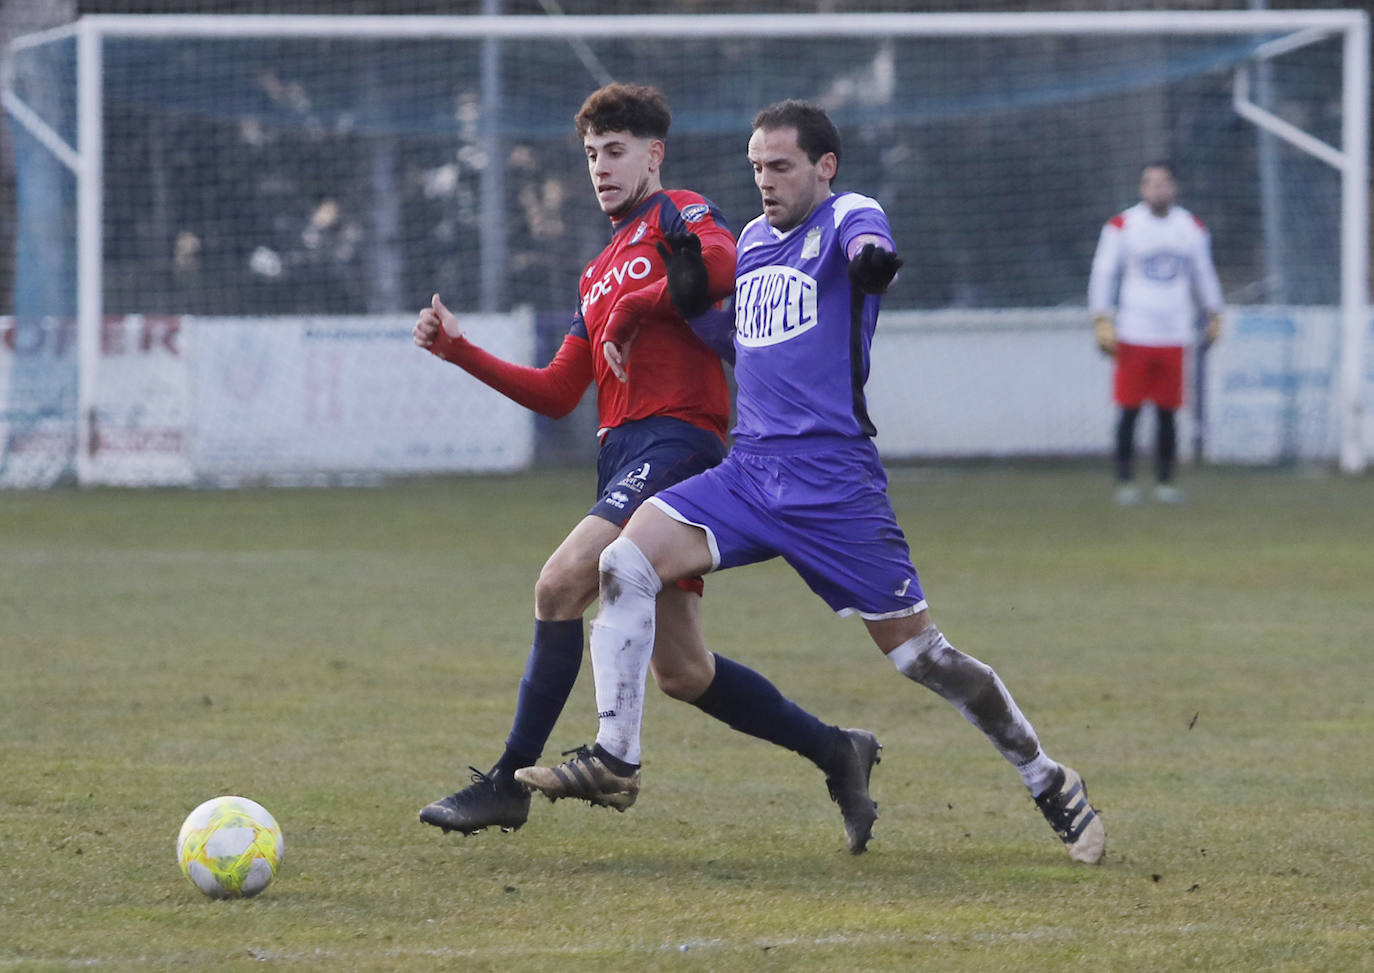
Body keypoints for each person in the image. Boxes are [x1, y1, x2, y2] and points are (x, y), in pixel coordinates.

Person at [517, 100, 1106, 865]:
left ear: (823, 166)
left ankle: (1047, 775)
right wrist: (691, 302)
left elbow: (870, 245)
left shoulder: (848, 215)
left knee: (921, 656)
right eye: (757, 167)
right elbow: (743, 343)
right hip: (750, 474)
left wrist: (872, 263)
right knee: (622, 561)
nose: (765, 182)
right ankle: (616, 757)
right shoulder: (757, 243)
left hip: (834, 487)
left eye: (781, 167)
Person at [413, 83, 881, 853]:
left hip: (680, 443)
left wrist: (646, 303)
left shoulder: (680, 213)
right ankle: (838, 750)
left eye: (617, 151)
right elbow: (560, 392)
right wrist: (459, 350)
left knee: (561, 581)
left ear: (653, 154)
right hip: (620, 455)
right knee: (683, 670)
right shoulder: (594, 273)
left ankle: (506, 782)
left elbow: (726, 266)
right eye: (592, 153)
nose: (602, 166)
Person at [1088, 161, 1224, 505]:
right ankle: (1125, 481)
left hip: (1175, 333)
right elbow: (1104, 272)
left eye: (1163, 183)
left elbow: (1203, 274)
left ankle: (1165, 482)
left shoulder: (1190, 227)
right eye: (1150, 183)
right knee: (1129, 410)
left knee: (1168, 412)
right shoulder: (1122, 226)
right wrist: (1101, 317)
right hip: (1134, 332)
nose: (1157, 189)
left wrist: (1214, 311)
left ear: (1173, 187)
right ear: (1141, 188)